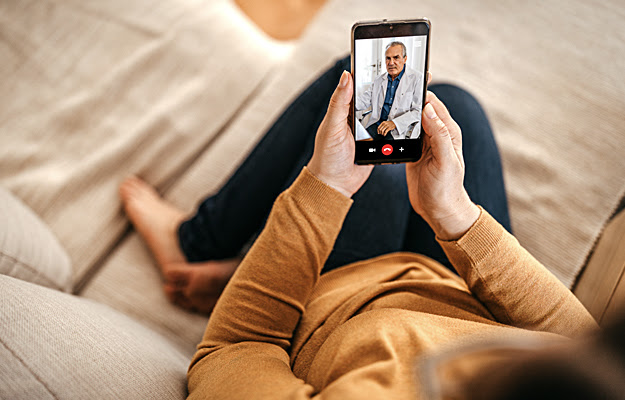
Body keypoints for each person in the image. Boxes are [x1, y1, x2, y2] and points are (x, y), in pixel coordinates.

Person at [120, 57, 597, 398]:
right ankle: (238, 266)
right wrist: (455, 215)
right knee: (454, 109)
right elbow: (581, 344)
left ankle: (199, 244)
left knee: (355, 102)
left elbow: (235, 347)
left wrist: (325, 186)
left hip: (341, 295)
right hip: (456, 283)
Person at [354, 41, 422, 140]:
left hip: (397, 130)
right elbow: (364, 100)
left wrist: (394, 123)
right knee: (360, 144)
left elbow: (417, 111)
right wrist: (346, 104)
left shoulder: (417, 78)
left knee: (385, 154)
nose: (391, 63)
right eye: (388, 58)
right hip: (377, 125)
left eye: (396, 58)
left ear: (405, 59)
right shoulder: (379, 79)